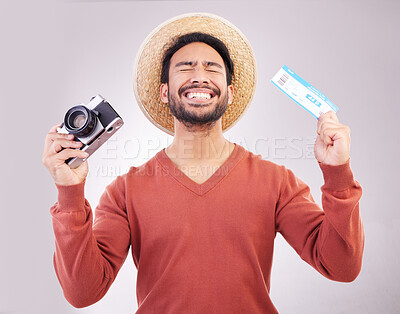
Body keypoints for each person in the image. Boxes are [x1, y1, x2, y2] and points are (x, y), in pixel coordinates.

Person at [42, 13, 364, 313]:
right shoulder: (124, 192)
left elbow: (341, 266)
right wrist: (69, 193)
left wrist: (337, 173)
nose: (200, 77)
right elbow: (83, 292)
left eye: (213, 68)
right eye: (185, 67)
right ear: (165, 93)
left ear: (230, 92)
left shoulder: (276, 182)